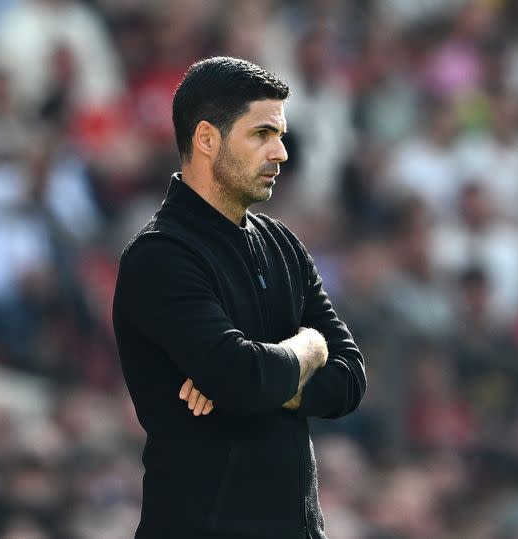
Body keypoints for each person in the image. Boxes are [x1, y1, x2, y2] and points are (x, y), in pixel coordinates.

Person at [112, 56, 367, 539]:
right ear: (207, 138)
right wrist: (308, 348)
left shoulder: (284, 246)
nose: (281, 153)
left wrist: (259, 381)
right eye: (261, 134)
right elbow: (243, 376)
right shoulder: (159, 256)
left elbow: (349, 380)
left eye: (280, 135)